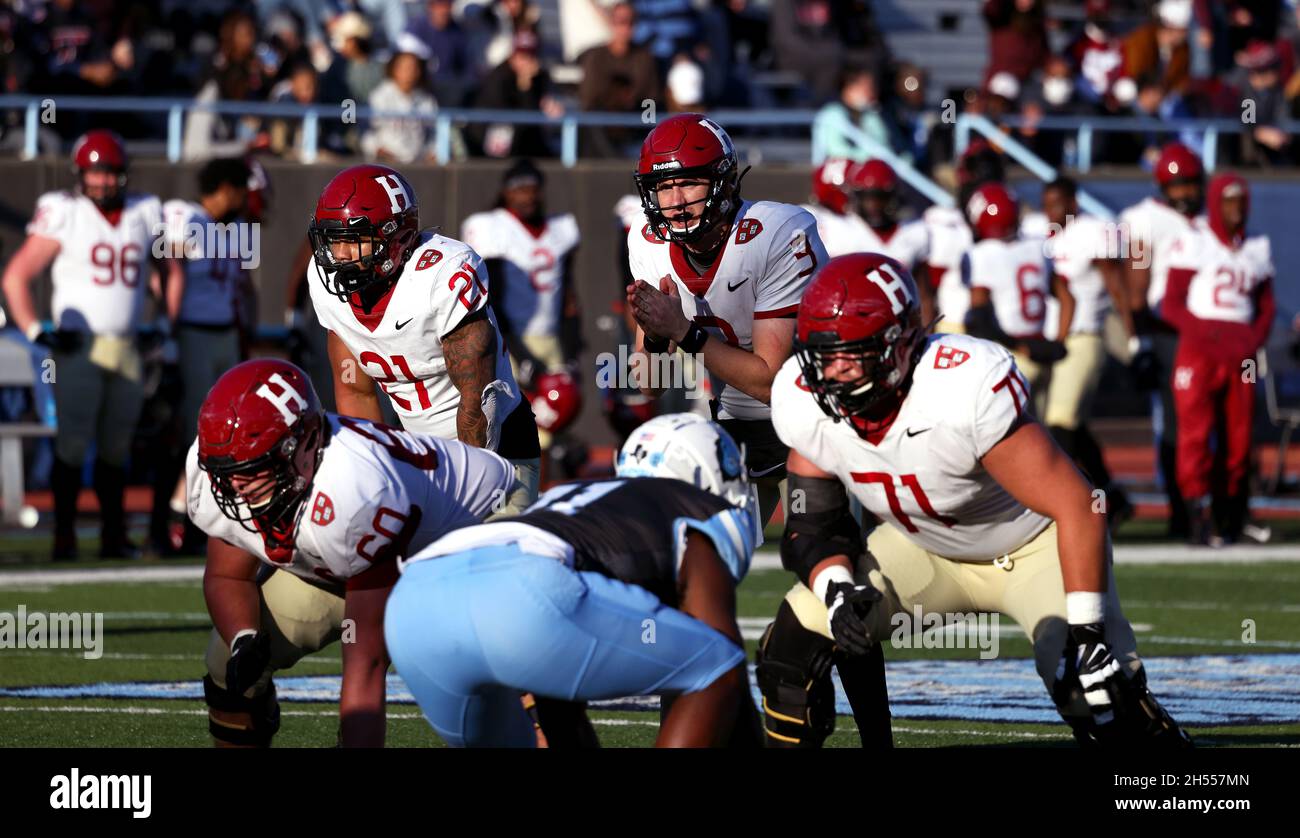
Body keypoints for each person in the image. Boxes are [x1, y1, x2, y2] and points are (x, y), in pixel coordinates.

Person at [758, 252, 1191, 748]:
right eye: (821, 354)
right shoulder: (803, 397)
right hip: (926, 550)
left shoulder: (960, 385)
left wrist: (1090, 634)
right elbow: (813, 523)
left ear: (900, 345)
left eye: (851, 354)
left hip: (1033, 549)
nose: (831, 374)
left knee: (1093, 689)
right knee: (792, 646)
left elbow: (1080, 503)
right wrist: (836, 590)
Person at [190, 359, 515, 747]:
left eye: (255, 469)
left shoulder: (358, 490)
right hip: (354, 557)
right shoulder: (222, 469)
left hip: (469, 545)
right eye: (227, 472)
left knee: (512, 687)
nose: (236, 488)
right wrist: (245, 638)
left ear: (306, 446)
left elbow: (365, 667)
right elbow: (228, 575)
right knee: (229, 666)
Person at [384, 413, 761, 747]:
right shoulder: (694, 508)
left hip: (414, 603)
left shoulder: (574, 499)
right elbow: (722, 666)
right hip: (519, 594)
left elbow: (558, 699)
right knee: (719, 667)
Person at [625, 113, 829, 527]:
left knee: (829, 547)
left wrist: (682, 330)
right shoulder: (645, 240)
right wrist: (655, 335)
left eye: (688, 183)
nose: (676, 200)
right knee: (712, 548)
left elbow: (772, 384)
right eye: (664, 187)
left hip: (818, 413)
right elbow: (648, 383)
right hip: (738, 421)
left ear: (725, 180)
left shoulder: (775, 232)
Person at [307, 164, 541, 515]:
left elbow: (478, 403)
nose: (339, 256)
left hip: (494, 446)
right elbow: (355, 389)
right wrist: (379, 471)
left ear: (396, 238)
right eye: (334, 240)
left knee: (490, 558)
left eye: (354, 241)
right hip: (418, 449)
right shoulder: (327, 283)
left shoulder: (440, 276)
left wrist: (466, 495)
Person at [2, 129, 181, 560]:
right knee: (73, 444)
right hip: (78, 348)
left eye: (109, 172)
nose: (101, 181)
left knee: (118, 445)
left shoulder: (144, 211)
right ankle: (64, 536)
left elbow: (170, 270)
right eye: (94, 172)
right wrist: (34, 331)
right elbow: (16, 275)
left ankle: (113, 536)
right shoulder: (65, 212)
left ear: (123, 174)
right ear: (80, 174)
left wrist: (165, 323)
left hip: (126, 345)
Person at [1163, 173, 1274, 545]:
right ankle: (1197, 516)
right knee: (1195, 434)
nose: (1236, 209)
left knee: (1240, 438)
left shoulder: (1257, 246)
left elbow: (1266, 305)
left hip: (1240, 354)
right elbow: (1171, 303)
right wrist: (1208, 335)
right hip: (1200, 350)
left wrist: (1250, 339)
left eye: (1241, 201)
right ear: (1214, 203)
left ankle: (1233, 516)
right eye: (1228, 201)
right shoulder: (1195, 241)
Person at [153, 158, 254, 555]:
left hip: (224, 336)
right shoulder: (186, 216)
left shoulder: (235, 230)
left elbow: (241, 289)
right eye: (242, 190)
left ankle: (201, 523)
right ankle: (167, 524)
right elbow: (165, 267)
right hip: (192, 333)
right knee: (191, 433)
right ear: (226, 188)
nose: (246, 200)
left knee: (224, 434)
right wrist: (168, 328)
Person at [461, 159, 582, 473]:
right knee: (511, 418)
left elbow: (568, 294)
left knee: (559, 406)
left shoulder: (561, 229)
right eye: (519, 190)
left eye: (532, 189)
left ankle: (544, 490)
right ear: (506, 193)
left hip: (549, 336)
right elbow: (491, 296)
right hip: (507, 337)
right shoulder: (494, 228)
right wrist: (517, 351)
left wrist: (572, 344)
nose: (526, 197)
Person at [1118, 141, 1204, 539]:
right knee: (1175, 423)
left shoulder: (1208, 218)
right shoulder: (1141, 220)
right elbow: (1137, 287)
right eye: (1179, 185)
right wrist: (1142, 344)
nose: (1187, 192)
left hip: (1210, 331)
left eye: (1192, 183)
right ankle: (1181, 509)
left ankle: (1220, 509)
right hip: (1167, 331)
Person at [1040, 176, 1135, 528]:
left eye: (1059, 202)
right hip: (1048, 344)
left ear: (1074, 202)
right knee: (1065, 427)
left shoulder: (1093, 231)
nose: (1052, 210)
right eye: (1047, 203)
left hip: (1083, 336)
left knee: (1061, 425)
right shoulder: (1041, 237)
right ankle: (1112, 495)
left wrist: (1132, 333)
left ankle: (1081, 502)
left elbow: (1116, 282)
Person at [962, 181, 1073, 409]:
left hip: (1009, 352)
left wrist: (1020, 346)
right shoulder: (1037, 247)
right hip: (1042, 349)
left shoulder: (982, 254)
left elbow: (980, 319)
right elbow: (1068, 299)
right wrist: (1058, 341)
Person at [811, 159, 934, 323]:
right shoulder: (838, 230)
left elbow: (923, 295)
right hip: (850, 323)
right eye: (867, 198)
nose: (874, 205)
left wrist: (923, 334)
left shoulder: (914, 232)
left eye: (880, 198)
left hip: (900, 325)